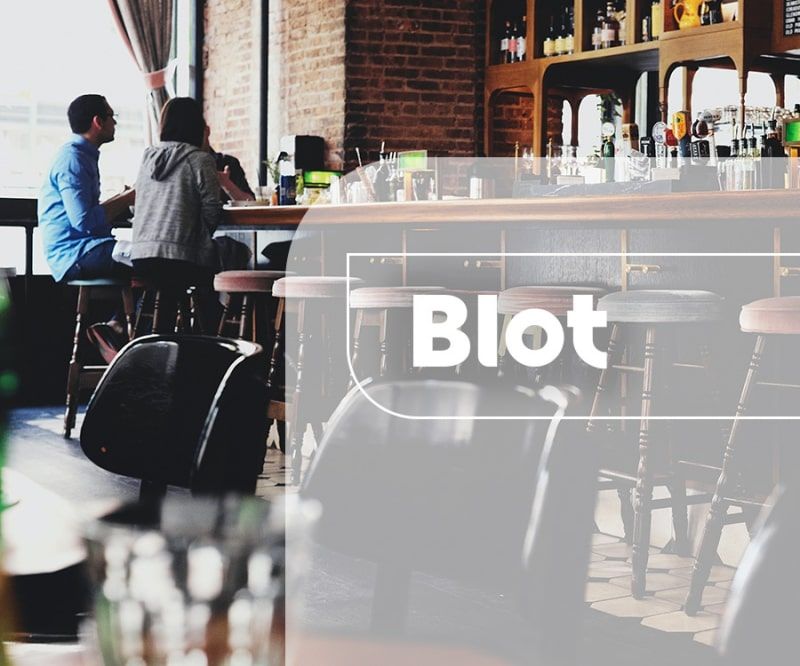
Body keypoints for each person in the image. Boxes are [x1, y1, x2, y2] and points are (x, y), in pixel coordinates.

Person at [130, 97, 247, 333]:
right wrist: (197, 235)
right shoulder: (200, 159)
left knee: (174, 284)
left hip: (142, 258)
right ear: (196, 125)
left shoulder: (147, 157)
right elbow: (212, 210)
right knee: (235, 252)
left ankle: (161, 340)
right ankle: (212, 336)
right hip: (181, 260)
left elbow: (136, 204)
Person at [38, 94, 136, 362]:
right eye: (112, 116)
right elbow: (82, 221)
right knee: (150, 259)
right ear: (97, 122)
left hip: (83, 248)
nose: (115, 122)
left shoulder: (82, 155)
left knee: (150, 258)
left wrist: (122, 198)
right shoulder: (73, 159)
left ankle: (116, 327)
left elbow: (86, 214)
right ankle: (120, 329)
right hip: (74, 253)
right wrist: (126, 199)